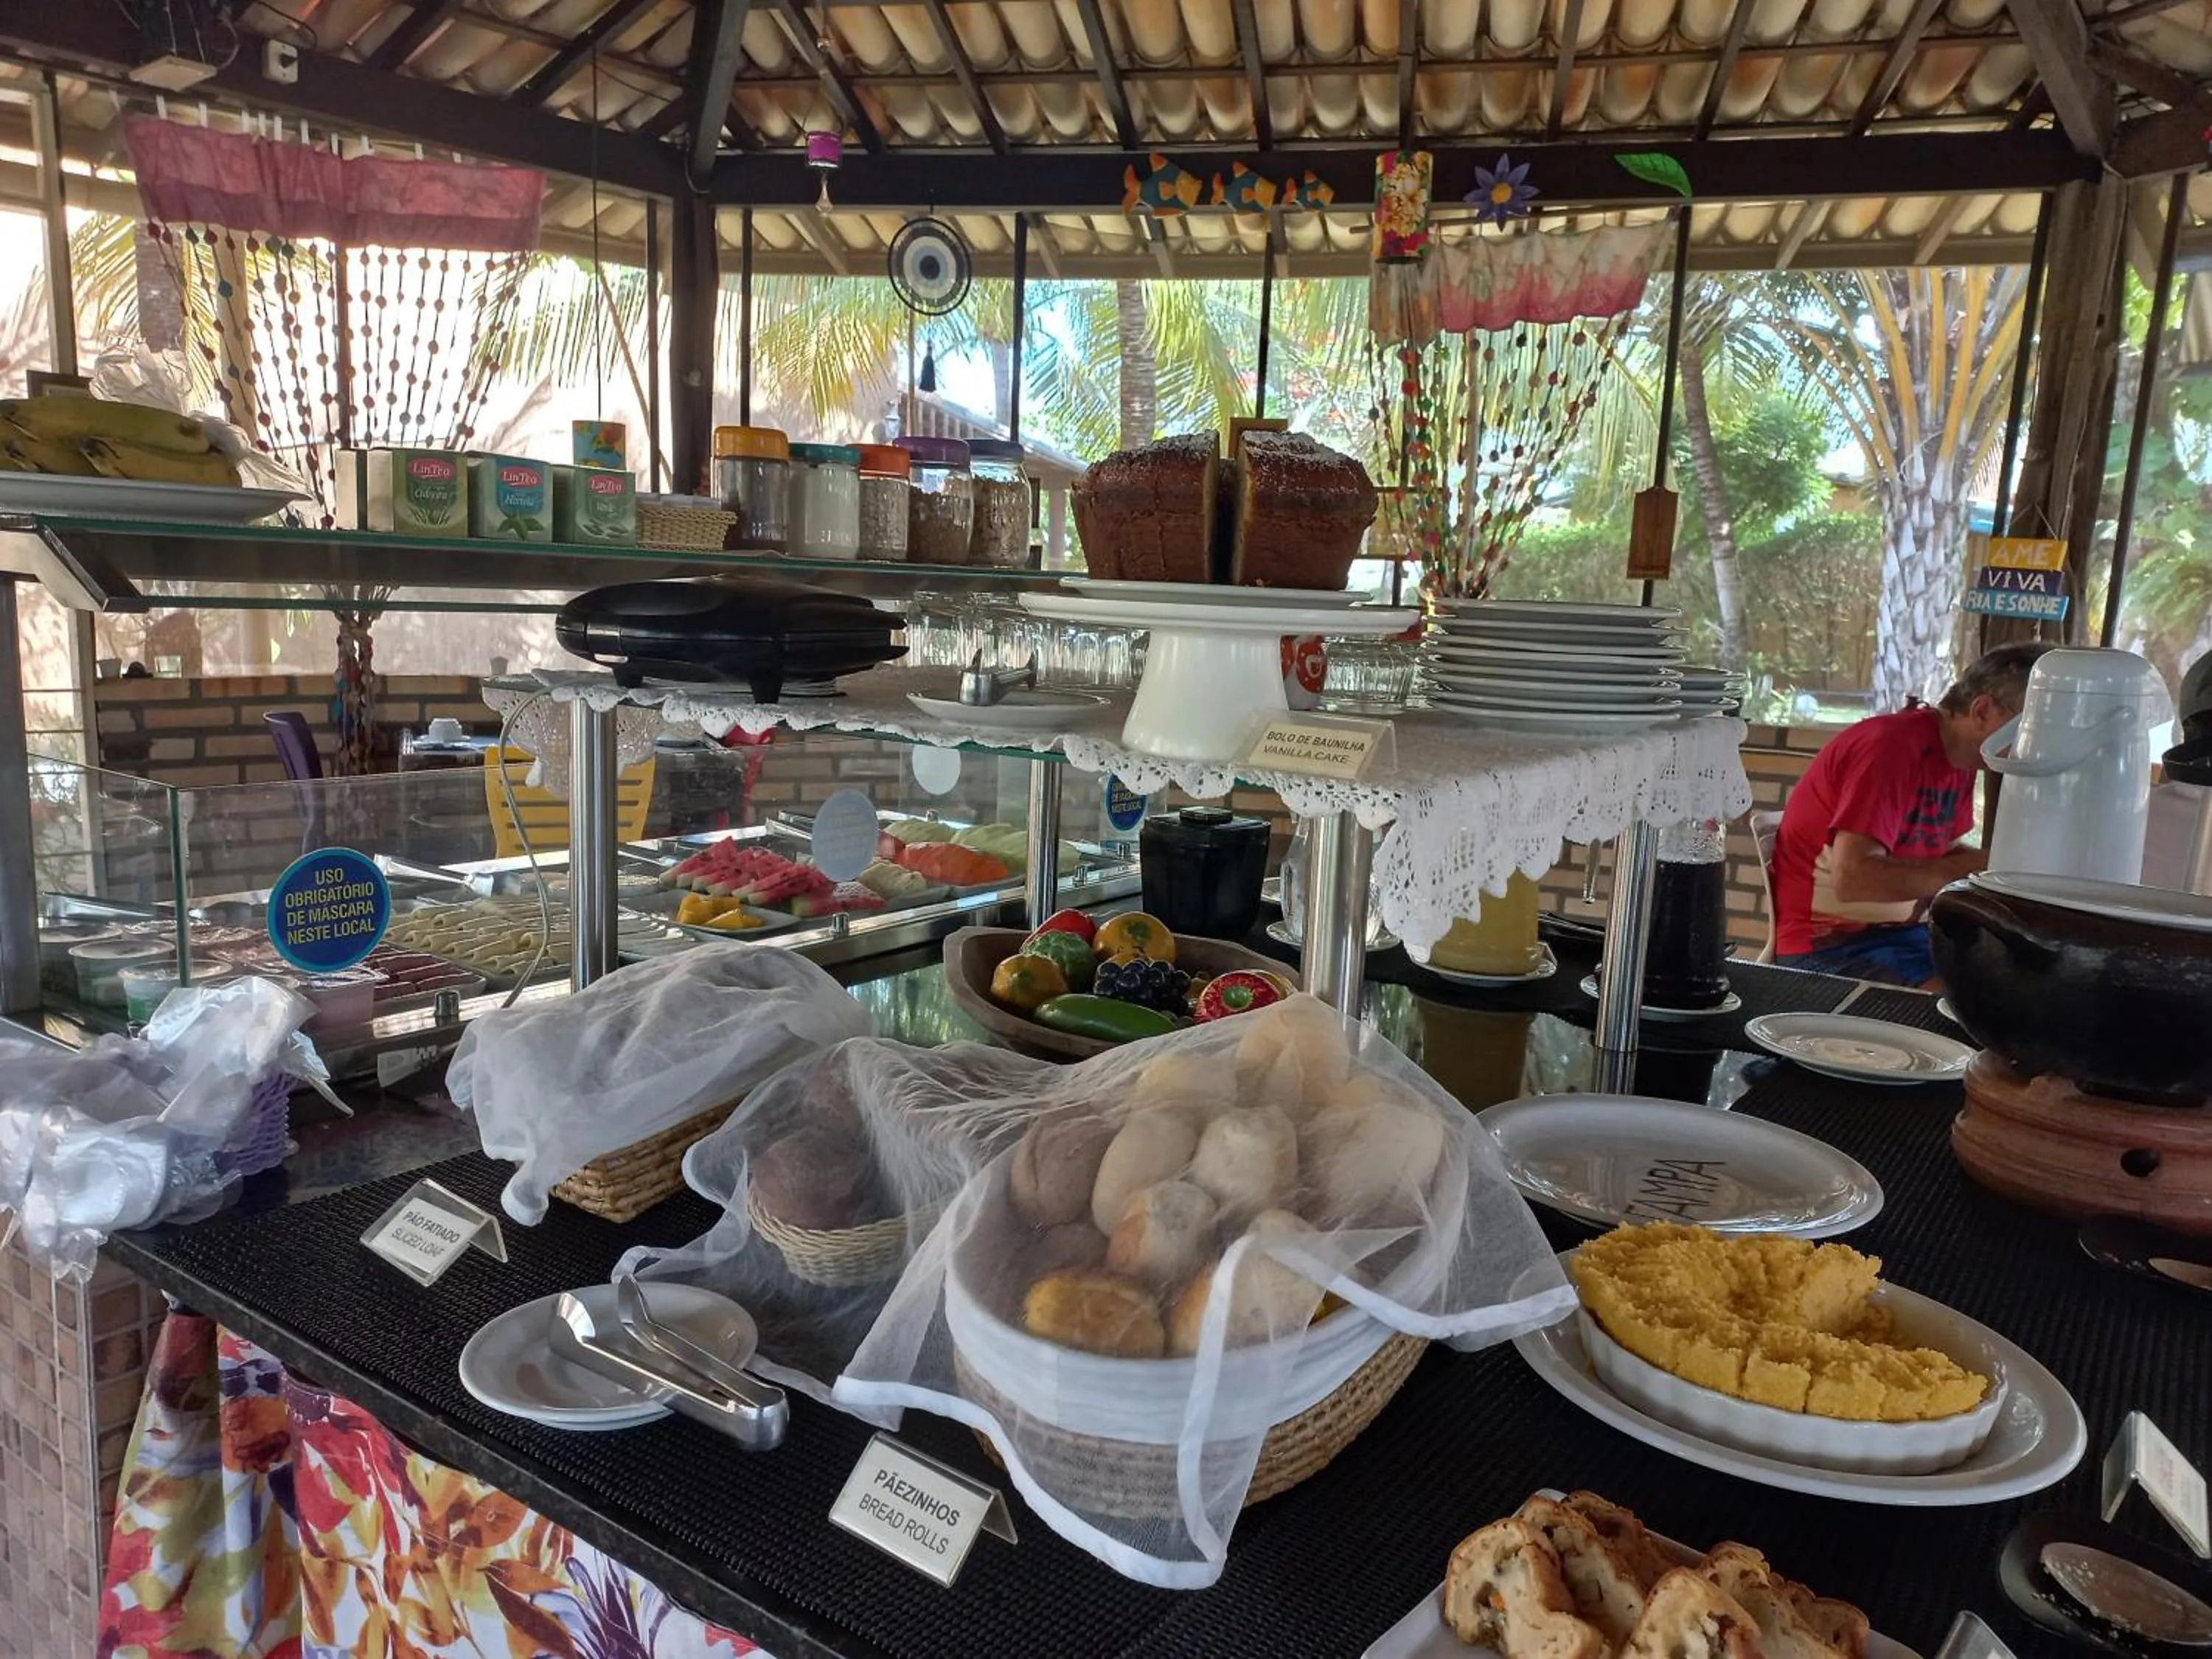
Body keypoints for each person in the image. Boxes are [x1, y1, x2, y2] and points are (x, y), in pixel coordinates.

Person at [1770, 641, 2053, 986]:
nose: (2040, 744)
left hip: (1901, 938)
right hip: (1828, 948)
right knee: (1978, 1009)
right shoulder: (1890, 749)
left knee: (2028, 980)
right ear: (1981, 712)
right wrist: (1982, 866)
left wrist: (2007, 869)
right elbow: (1854, 879)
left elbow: (1937, 857)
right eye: (2033, 727)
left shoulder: (1959, 761)